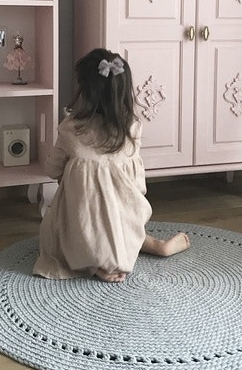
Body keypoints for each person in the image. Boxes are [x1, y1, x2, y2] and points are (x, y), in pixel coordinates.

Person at [32, 48, 190, 282]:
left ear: (85, 92)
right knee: (116, 215)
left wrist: (73, 175)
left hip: (83, 227)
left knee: (56, 233)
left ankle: (93, 264)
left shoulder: (71, 130)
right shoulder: (132, 129)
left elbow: (51, 170)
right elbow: (138, 186)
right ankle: (154, 247)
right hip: (124, 226)